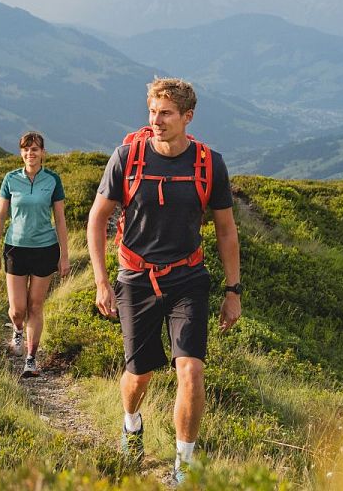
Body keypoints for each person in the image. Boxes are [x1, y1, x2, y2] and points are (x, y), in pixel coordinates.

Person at [86, 77, 241, 484]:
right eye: (153, 112)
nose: (157, 120)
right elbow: (97, 219)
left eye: (167, 113)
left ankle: (183, 469)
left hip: (188, 278)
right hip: (135, 279)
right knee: (139, 375)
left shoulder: (209, 164)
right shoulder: (126, 157)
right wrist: (102, 283)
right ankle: (131, 423)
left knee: (190, 371)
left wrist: (233, 290)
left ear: (188, 117)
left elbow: (226, 230)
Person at [0, 131, 71, 377]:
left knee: (35, 307)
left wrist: (64, 256)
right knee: (17, 310)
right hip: (15, 248)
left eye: (35, 149)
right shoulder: (10, 179)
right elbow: (1, 216)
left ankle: (31, 359)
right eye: (26, 149)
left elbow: (60, 220)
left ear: (43, 153)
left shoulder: (53, 180)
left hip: (45, 249)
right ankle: (16, 330)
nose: (30, 153)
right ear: (21, 153)